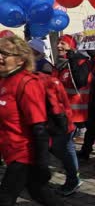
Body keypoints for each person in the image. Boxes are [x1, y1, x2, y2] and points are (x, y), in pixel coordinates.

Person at [0, 36, 62, 205]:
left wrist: (42, 164)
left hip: (24, 154)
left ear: (20, 60)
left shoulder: (27, 83)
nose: (0, 57)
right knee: (40, 194)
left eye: (5, 53)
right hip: (10, 151)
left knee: (5, 197)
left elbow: (39, 128)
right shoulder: (4, 79)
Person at [28, 39, 82, 196]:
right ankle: (71, 177)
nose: (58, 46)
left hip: (62, 117)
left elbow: (78, 82)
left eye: (63, 44)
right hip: (56, 116)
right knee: (62, 149)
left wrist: (60, 121)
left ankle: (72, 179)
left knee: (62, 149)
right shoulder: (56, 65)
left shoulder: (45, 68)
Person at [53, 35, 92, 129]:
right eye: (58, 43)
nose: (58, 46)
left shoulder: (82, 62)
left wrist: (72, 58)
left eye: (62, 43)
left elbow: (80, 82)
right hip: (61, 112)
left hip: (76, 115)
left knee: (68, 143)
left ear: (71, 46)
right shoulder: (59, 64)